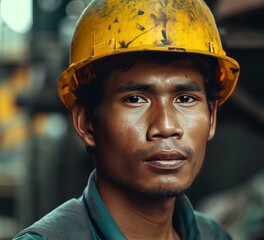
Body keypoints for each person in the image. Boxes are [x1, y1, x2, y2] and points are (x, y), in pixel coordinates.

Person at [14, 0, 240, 239]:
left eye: (185, 98)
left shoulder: (213, 235)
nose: (165, 126)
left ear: (212, 117)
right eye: (135, 99)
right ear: (86, 123)